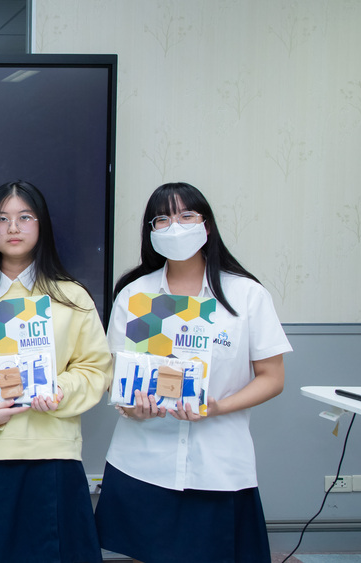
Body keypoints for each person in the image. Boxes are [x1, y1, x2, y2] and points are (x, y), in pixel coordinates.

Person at [94, 182, 290, 563]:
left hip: (217, 464)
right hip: (143, 460)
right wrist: (131, 406)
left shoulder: (246, 295)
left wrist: (218, 407)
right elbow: (116, 376)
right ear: (151, 232)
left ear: (207, 225)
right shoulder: (135, 295)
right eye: (163, 219)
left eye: (186, 216)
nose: (175, 227)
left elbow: (273, 377)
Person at [0, 180, 110, 563]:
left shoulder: (72, 297)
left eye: (25, 217)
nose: (13, 227)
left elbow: (95, 367)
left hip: (51, 458)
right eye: (2, 219)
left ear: (41, 224)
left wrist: (59, 390)